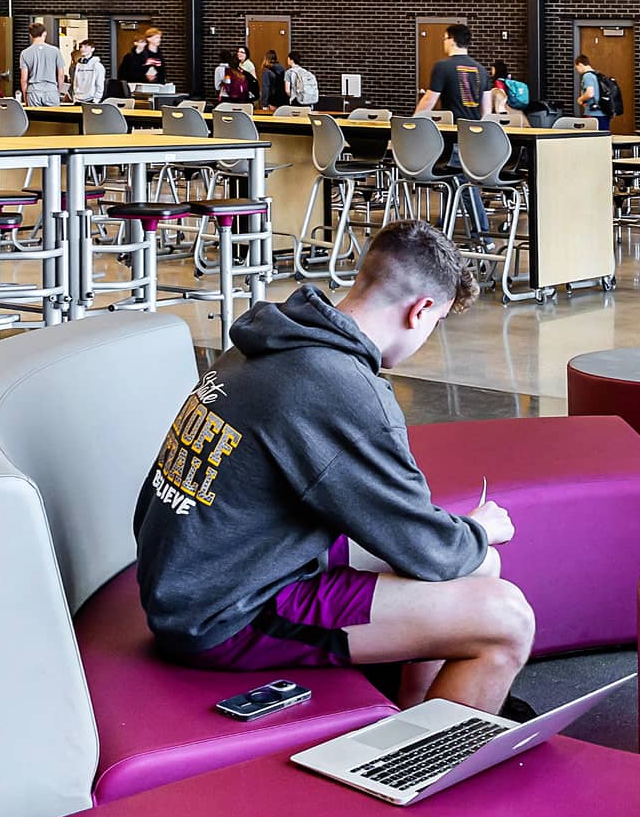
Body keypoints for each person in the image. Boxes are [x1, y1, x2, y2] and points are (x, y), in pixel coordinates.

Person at [134, 221, 533, 713]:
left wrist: (467, 543)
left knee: (478, 565)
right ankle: (424, 768)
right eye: (437, 323)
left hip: (191, 576)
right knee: (508, 620)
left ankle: (413, 716)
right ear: (421, 310)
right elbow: (427, 551)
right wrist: (477, 530)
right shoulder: (340, 386)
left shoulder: (268, 341)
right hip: (225, 615)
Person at [416, 24, 489, 121]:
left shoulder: (442, 66)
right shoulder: (482, 70)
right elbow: (486, 110)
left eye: (445, 39)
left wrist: (414, 121)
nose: (444, 42)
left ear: (452, 40)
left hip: (452, 129)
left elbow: (429, 100)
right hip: (474, 130)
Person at [17, 22, 64, 105]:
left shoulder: (25, 53)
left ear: (30, 35)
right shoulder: (55, 51)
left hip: (33, 91)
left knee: (35, 117)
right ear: (44, 33)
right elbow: (61, 75)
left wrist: (25, 96)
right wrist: (58, 92)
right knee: (54, 117)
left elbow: (23, 79)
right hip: (51, 90)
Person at [575, 55, 610, 130]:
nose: (577, 70)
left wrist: (580, 99)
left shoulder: (587, 76)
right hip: (603, 112)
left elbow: (590, 93)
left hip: (593, 113)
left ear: (580, 64)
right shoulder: (597, 75)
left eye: (576, 68)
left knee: (592, 138)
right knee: (603, 137)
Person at [67, 39, 106, 103]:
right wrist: (74, 96)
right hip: (77, 99)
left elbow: (100, 84)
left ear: (92, 49)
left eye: (86, 47)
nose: (82, 49)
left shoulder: (97, 65)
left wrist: (96, 99)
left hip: (91, 99)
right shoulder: (78, 65)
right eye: (81, 47)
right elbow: (75, 82)